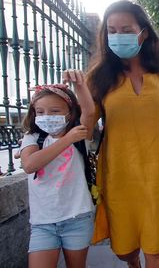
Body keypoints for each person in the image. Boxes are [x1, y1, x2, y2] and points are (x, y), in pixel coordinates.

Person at [86, 1, 159, 267]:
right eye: (112, 30)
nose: (118, 35)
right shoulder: (99, 77)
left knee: (156, 245)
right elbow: (86, 127)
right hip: (120, 174)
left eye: (125, 29)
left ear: (143, 33)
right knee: (125, 248)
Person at [19, 70, 95, 268]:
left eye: (54, 111)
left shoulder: (79, 135)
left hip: (77, 218)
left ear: (69, 113)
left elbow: (90, 111)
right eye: (40, 112)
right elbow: (30, 165)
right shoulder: (32, 139)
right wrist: (66, 140)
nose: (46, 116)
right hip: (43, 224)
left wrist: (80, 84)